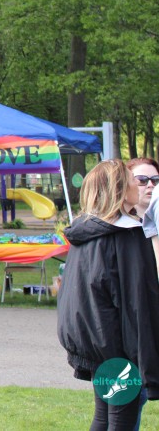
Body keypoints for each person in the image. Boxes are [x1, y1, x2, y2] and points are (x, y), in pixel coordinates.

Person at [57, 159, 159, 430]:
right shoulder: (126, 236)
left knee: (104, 416)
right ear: (120, 190)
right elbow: (139, 302)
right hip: (120, 347)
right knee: (121, 420)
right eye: (133, 180)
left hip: (96, 344)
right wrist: (146, 359)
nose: (139, 185)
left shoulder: (86, 232)